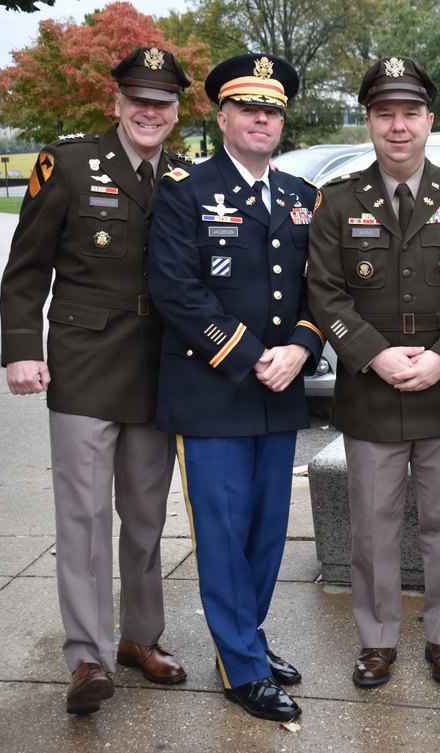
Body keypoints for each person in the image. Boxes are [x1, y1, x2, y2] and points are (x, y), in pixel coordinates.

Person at [0, 46, 193, 715]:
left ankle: (141, 636)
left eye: (161, 101)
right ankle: (87, 657)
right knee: (81, 517)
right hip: (83, 360)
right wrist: (21, 348)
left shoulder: (185, 177)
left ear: (175, 111)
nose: (149, 110)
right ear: (116, 101)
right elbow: (27, 266)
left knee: (144, 517)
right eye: (138, 98)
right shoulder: (71, 163)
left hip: (157, 367)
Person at [147, 53, 323, 723]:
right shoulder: (186, 189)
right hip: (213, 388)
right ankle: (241, 668)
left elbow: (321, 290)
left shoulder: (303, 196)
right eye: (248, 107)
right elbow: (176, 290)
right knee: (222, 532)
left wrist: (302, 346)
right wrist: (252, 355)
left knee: (267, 533)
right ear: (221, 116)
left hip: (281, 390)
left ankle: (247, 636)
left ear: (282, 120)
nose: (261, 117)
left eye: (272, 109)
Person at [308, 56, 440, 688]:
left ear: (429, 120)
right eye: (385, 114)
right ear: (369, 123)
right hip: (370, 392)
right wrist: (374, 353)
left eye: (410, 112)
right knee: (373, 529)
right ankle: (377, 640)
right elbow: (324, 293)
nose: (398, 126)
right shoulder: (336, 202)